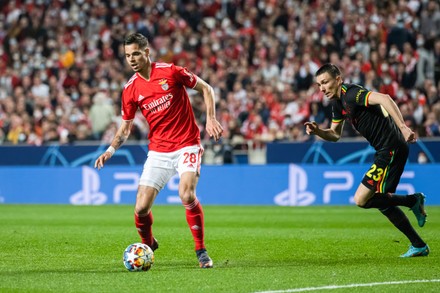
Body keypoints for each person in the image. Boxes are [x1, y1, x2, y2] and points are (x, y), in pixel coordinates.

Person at [94, 33, 223, 268]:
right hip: (159, 150)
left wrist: (211, 119)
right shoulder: (130, 89)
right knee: (141, 207)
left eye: (135, 53)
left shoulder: (171, 71)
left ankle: (201, 250)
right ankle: (148, 245)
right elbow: (125, 128)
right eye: (127, 55)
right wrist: (110, 150)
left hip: (187, 143)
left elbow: (207, 89)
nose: (131, 59)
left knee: (186, 194)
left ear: (146, 52)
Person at [304, 63, 429, 257]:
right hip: (383, 150)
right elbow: (335, 135)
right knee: (380, 200)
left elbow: (385, 98)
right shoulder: (337, 104)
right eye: (319, 84)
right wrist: (318, 130)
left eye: (325, 82)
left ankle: (413, 202)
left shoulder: (352, 94)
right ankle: (418, 243)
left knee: (362, 199)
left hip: (391, 148)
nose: (322, 88)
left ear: (338, 79)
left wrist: (403, 127)